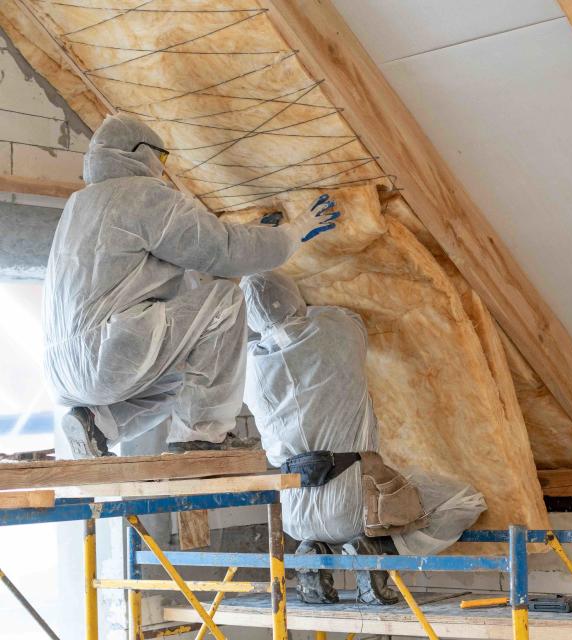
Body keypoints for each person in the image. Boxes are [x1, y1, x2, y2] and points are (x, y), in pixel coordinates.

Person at [42, 115, 338, 459]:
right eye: (161, 158)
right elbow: (221, 251)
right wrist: (291, 234)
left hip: (65, 372)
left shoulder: (79, 206)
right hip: (109, 352)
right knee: (226, 301)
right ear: (137, 152)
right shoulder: (143, 195)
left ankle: (96, 424)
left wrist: (252, 234)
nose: (163, 170)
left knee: (175, 382)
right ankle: (201, 435)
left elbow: (188, 269)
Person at [240, 271, 486, 605]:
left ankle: (316, 550)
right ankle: (379, 549)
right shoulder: (334, 332)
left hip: (294, 514)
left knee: (325, 518)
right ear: (295, 297)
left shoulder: (251, 366)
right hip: (354, 506)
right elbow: (352, 318)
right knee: (464, 500)